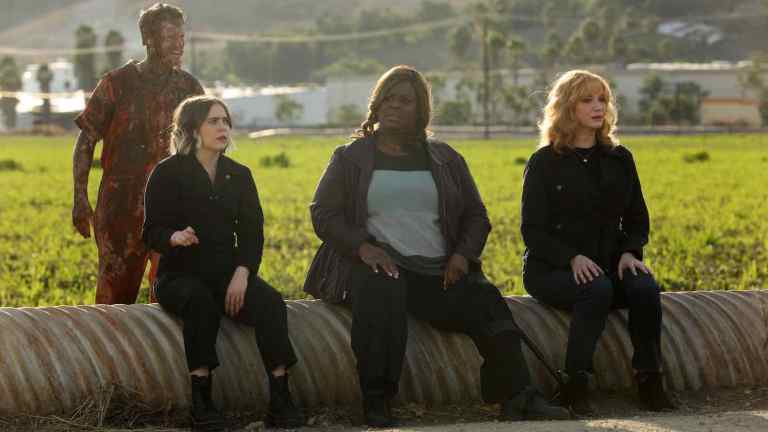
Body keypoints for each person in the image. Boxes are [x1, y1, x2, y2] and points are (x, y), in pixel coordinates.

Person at [304, 65, 570, 427]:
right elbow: (323, 213)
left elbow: (477, 216)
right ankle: (378, 400)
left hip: (436, 272)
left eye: (404, 100)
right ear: (376, 104)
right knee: (379, 301)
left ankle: (519, 396)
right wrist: (364, 248)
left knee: (487, 301)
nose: (393, 106)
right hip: (379, 265)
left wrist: (462, 256)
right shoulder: (351, 157)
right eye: (387, 98)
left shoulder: (445, 158)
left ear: (421, 111)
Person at [142, 96, 305, 431]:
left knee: (272, 303)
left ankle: (280, 397)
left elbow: (251, 234)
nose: (223, 128)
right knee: (200, 303)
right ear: (192, 129)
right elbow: (151, 231)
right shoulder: (167, 173)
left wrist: (242, 275)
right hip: (178, 275)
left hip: (227, 274)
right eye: (213, 121)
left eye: (226, 121)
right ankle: (201, 403)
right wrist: (174, 237)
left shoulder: (239, 175)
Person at [520, 70, 676, 415]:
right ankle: (574, 384)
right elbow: (532, 230)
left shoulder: (620, 159)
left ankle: (649, 379)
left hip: (609, 261)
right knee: (597, 289)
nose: (597, 107)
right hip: (552, 269)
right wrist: (571, 257)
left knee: (644, 287)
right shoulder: (544, 163)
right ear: (566, 107)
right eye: (587, 99)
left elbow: (637, 217)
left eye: (602, 99)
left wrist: (630, 252)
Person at [73, 2, 204, 304]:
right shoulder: (116, 85)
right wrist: (80, 197)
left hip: (172, 211)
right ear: (148, 38)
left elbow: (205, 146)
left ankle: (163, 353)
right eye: (171, 37)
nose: (179, 44)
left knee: (170, 296)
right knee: (114, 301)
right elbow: (86, 139)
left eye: (182, 38)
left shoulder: (189, 88)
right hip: (120, 208)